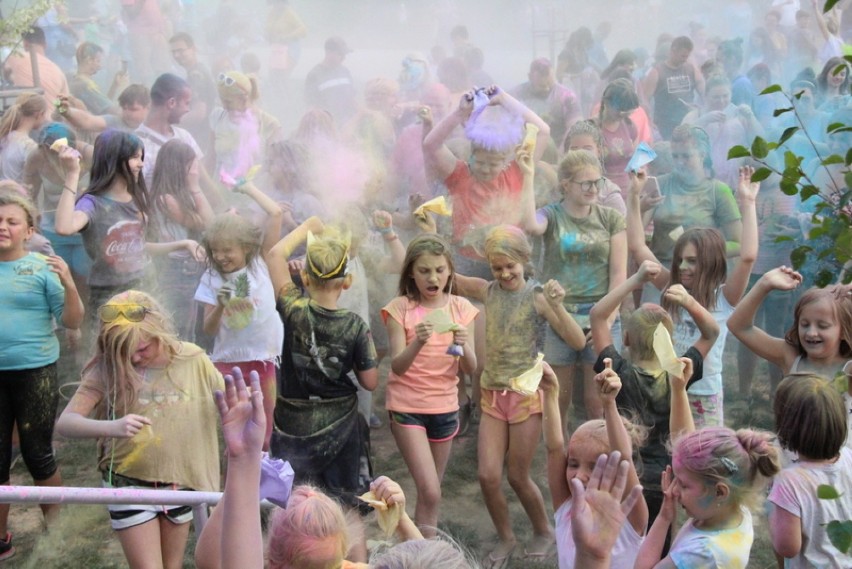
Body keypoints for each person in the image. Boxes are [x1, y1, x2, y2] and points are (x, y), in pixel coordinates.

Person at [56, 290, 224, 569]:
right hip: (128, 484)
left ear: (158, 331)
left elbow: (227, 400)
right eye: (123, 351)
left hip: (180, 482)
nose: (133, 358)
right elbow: (66, 424)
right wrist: (111, 427)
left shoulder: (193, 359)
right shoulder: (110, 368)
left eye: (142, 348)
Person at [450, 223, 584, 566]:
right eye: (497, 267)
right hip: (492, 394)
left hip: (526, 395)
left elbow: (577, 341)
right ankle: (507, 537)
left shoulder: (537, 296)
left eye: (511, 265)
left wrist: (558, 305)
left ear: (525, 260)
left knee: (517, 474)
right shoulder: (487, 291)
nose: (505, 273)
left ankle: (543, 529)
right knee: (487, 474)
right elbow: (447, 274)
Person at [267, 217, 378, 562]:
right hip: (341, 428)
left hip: (293, 424)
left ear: (304, 277)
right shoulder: (355, 326)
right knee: (347, 505)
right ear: (347, 282)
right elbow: (370, 382)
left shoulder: (292, 309)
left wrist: (305, 227)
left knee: (292, 502)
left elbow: (273, 254)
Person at [589, 259, 718, 546]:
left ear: (625, 339)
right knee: (659, 541)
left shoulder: (617, 372)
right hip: (666, 478)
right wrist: (687, 301)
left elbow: (598, 316)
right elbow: (711, 332)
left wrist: (635, 280)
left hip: (624, 474)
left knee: (622, 542)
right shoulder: (680, 374)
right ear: (669, 344)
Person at [626, 166, 760, 426]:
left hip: (703, 395)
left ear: (710, 263)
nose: (684, 267)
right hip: (666, 389)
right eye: (680, 260)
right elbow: (637, 246)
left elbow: (748, 256)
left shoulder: (724, 298)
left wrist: (748, 203)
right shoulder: (670, 287)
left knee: (701, 460)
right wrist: (633, 197)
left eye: (693, 261)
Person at [0, 190, 83, 561]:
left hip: (35, 373)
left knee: (38, 455)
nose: (2, 227)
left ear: (29, 230)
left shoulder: (42, 267)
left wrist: (68, 284)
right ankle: (1, 536)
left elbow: (72, 320)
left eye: (11, 221)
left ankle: (55, 531)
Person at [54, 130, 204, 326]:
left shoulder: (136, 199)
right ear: (113, 160)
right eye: (135, 157)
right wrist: (72, 174)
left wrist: (183, 243)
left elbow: (138, 247)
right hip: (109, 295)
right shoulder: (93, 203)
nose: (141, 164)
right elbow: (64, 227)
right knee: (115, 350)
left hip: (146, 288)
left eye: (141, 157)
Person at [381, 233, 478, 537]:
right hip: (407, 407)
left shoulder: (461, 309)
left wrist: (463, 345)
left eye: (439, 269)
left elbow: (471, 368)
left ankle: (422, 555)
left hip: (446, 408)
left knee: (429, 493)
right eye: (424, 271)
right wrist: (418, 341)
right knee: (432, 490)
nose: (432, 277)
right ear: (411, 272)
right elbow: (397, 364)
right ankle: (425, 550)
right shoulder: (400, 309)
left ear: (450, 270)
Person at [520, 148, 627, 425]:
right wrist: (528, 174)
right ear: (565, 185)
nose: (594, 189)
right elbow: (531, 225)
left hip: (601, 314)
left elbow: (618, 275)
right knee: (558, 399)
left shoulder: (611, 218)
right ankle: (560, 458)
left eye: (597, 182)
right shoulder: (552, 215)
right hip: (558, 315)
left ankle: (594, 457)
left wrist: (606, 319)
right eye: (586, 183)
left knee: (598, 403)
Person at [194, 181, 284, 450]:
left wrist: (248, 188)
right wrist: (221, 306)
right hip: (229, 363)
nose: (221, 257)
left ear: (245, 247)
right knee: (231, 425)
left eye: (227, 250)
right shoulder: (211, 278)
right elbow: (208, 330)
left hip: (263, 358)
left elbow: (276, 213)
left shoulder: (260, 263)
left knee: (265, 423)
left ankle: (261, 474)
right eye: (216, 250)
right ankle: (234, 471)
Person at [541, 356, 651, 569]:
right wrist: (550, 392)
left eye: (595, 467)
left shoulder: (631, 517)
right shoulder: (567, 507)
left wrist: (609, 405)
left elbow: (623, 456)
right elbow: (554, 448)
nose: (578, 475)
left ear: (617, 471)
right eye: (573, 463)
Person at [633, 425, 781, 568]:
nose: (674, 490)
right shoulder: (736, 510)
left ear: (719, 492)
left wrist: (664, 518)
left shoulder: (702, 554)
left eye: (683, 485)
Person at [769, 374, 852, 567]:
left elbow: (787, 547)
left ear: (786, 427)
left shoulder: (788, 481)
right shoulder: (849, 457)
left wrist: (772, 517)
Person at [643, 125, 742, 275]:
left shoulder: (719, 191)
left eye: (686, 156)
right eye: (675, 156)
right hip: (661, 271)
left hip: (701, 275)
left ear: (702, 155)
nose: (680, 162)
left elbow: (738, 244)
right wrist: (639, 206)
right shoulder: (660, 184)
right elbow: (634, 232)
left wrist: (702, 251)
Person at [728, 267, 852, 384]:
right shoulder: (790, 357)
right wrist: (765, 283)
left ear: (843, 330)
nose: (811, 332)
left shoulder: (848, 369)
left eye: (823, 326)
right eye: (804, 324)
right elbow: (739, 326)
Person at [149, 139, 214, 342]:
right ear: (180, 167)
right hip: (178, 269)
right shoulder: (166, 199)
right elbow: (206, 223)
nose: (196, 170)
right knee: (182, 331)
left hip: (189, 267)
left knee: (193, 328)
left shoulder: (177, 195)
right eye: (192, 165)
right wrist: (195, 186)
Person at [681, 76, 763, 189]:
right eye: (716, 97)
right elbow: (680, 138)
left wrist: (751, 117)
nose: (721, 101)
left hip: (736, 179)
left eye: (725, 96)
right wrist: (704, 120)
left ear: (731, 95)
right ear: (706, 96)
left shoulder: (739, 114)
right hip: (704, 180)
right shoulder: (696, 115)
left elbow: (761, 140)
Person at [210, 71, 282, 191]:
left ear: (244, 99)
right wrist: (206, 190)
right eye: (221, 100)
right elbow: (211, 157)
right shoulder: (218, 116)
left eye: (228, 102)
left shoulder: (270, 125)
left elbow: (273, 169)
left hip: (254, 194)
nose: (223, 106)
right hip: (220, 192)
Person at [510, 58, 582, 150]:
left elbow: (576, 127)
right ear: (530, 77)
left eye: (550, 84)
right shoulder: (516, 95)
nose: (547, 89)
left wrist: (563, 151)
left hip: (556, 150)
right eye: (542, 86)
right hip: (522, 149)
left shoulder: (567, 97)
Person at [642, 36, 705, 140]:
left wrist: (703, 108)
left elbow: (704, 92)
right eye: (682, 56)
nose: (685, 59)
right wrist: (648, 120)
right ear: (673, 51)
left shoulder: (691, 69)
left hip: (688, 123)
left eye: (687, 56)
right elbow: (645, 100)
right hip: (665, 126)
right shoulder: (657, 72)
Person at [563, 120, 626, 215]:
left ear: (599, 152)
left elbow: (623, 228)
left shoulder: (608, 194)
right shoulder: (559, 186)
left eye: (587, 149)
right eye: (574, 149)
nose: (581, 154)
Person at [169, 32, 216, 152]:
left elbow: (198, 113)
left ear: (193, 49)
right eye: (174, 52)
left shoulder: (196, 75)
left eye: (181, 50)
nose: (177, 55)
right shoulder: (196, 71)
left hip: (199, 137)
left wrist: (170, 123)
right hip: (202, 136)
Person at [594, 78, 641, 195]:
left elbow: (635, 161)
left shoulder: (629, 127)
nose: (622, 115)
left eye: (627, 111)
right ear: (606, 102)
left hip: (628, 191)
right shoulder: (591, 129)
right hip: (602, 193)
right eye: (619, 110)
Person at [2, 27, 70, 103]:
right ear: (45, 45)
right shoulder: (59, 72)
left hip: (27, 113)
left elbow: (5, 73)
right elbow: (65, 105)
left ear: (25, 44)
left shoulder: (15, 58)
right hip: (52, 113)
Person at [304, 37, 358, 125]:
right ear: (329, 52)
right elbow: (312, 105)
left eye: (344, 55)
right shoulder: (314, 75)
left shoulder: (345, 71)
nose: (344, 58)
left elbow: (352, 99)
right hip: (327, 123)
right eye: (340, 54)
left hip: (347, 122)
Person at [58, 84, 151, 134]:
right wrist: (67, 112)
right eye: (124, 108)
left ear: (147, 107)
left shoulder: (155, 129)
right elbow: (88, 120)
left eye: (132, 109)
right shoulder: (115, 122)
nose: (126, 113)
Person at [0, 93, 49, 184]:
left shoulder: (3, 137)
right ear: (38, 114)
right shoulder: (28, 146)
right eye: (44, 114)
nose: (45, 118)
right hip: (16, 195)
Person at [69, 42, 126, 116]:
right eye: (98, 61)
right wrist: (124, 89)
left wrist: (115, 85)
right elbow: (112, 110)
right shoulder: (87, 85)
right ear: (89, 60)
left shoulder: (77, 80)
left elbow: (104, 104)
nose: (100, 65)